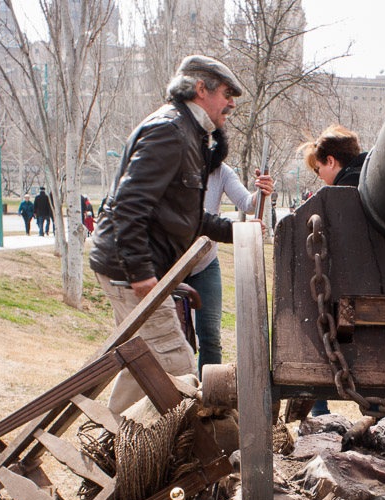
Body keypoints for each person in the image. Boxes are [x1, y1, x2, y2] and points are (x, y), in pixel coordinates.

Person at [89, 54, 272, 414]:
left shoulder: (189, 135)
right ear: (201, 89)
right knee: (178, 370)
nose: (231, 103)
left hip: (134, 267)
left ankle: (110, 447)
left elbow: (187, 216)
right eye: (226, 93)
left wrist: (239, 229)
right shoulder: (170, 131)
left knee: (144, 361)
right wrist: (141, 274)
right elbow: (128, 206)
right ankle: (133, 454)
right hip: (130, 271)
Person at [186, 128, 273, 374]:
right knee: (176, 337)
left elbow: (246, 203)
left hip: (205, 263)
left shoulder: (222, 172)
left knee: (210, 336)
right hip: (171, 263)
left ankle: (208, 398)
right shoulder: (174, 169)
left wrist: (261, 191)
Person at [298, 125, 366, 417]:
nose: (320, 177)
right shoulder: (372, 179)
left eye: (318, 169)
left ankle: (319, 412)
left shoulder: (337, 194)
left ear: (330, 161)